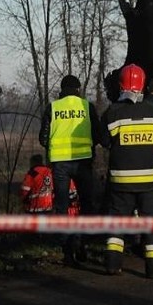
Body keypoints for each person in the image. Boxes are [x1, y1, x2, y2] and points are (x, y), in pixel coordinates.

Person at [101, 64, 153, 278]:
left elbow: (104, 141)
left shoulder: (112, 112)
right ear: (142, 86)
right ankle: (152, 271)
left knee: (117, 224)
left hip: (120, 182)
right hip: (150, 182)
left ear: (121, 85)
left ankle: (112, 266)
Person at [39, 74, 106, 267]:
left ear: (62, 90)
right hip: (83, 163)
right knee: (86, 204)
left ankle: (67, 250)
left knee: (62, 207)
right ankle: (83, 242)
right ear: (78, 89)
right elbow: (98, 135)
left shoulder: (53, 107)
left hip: (60, 164)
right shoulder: (87, 107)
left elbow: (43, 139)